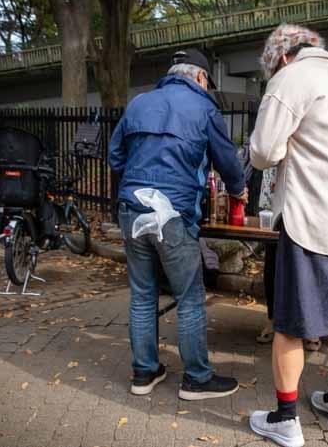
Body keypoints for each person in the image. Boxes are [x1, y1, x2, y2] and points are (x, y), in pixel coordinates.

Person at [247, 24, 328, 447]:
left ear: (281, 57)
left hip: (307, 216)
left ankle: (285, 418)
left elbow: (263, 152)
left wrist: (283, 149)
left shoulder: (290, 79)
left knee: (290, 321)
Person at [109, 48, 247, 401]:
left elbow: (115, 156)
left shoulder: (139, 102)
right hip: (172, 213)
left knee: (142, 295)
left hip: (131, 207)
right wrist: (237, 190)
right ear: (200, 77)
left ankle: (144, 373)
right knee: (189, 296)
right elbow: (229, 163)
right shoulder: (204, 108)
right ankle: (197, 379)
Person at [256, 167, 321, 352]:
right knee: (273, 258)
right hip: (275, 179)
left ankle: (311, 324)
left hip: (309, 180)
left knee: (310, 258)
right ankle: (273, 318)